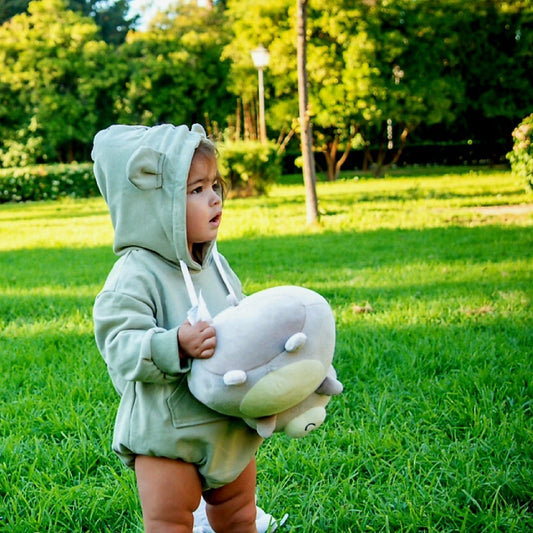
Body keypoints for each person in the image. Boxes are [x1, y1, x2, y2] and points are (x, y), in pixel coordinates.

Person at [91, 123, 264, 533]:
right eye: (196, 190)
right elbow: (118, 342)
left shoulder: (216, 266)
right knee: (170, 522)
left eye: (215, 185)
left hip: (225, 428)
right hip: (165, 434)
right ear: (155, 204)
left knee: (241, 516)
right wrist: (176, 345)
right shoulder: (134, 274)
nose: (215, 197)